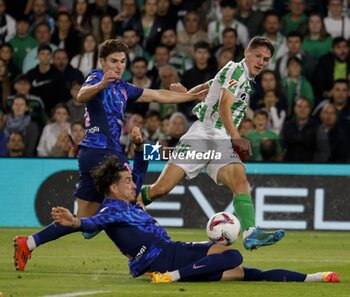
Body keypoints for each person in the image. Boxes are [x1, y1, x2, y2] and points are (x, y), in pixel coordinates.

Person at [13, 38, 206, 272]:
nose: (118, 66)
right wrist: (101, 84)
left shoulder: (124, 87)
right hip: (105, 152)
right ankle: (155, 258)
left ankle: (29, 243)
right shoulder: (96, 77)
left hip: (90, 155)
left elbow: (156, 94)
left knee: (82, 222)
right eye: (113, 61)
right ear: (102, 61)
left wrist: (190, 96)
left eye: (123, 61)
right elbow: (81, 96)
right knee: (133, 200)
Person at [50, 154, 339, 284]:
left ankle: (314, 277)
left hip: (173, 251)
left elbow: (138, 170)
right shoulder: (111, 210)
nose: (134, 185)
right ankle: (173, 278)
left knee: (241, 271)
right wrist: (75, 222)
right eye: (126, 182)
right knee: (234, 258)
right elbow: (90, 224)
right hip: (161, 261)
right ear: (113, 187)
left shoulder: (129, 201)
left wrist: (139, 147)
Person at [141, 36, 285, 251]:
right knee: (161, 189)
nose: (261, 62)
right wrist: (236, 136)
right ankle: (119, 206)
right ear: (247, 52)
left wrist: (187, 94)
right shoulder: (236, 71)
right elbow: (223, 107)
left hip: (221, 139)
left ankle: (250, 232)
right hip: (203, 134)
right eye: (258, 56)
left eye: (266, 59)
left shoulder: (241, 77)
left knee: (240, 180)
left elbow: (209, 87)